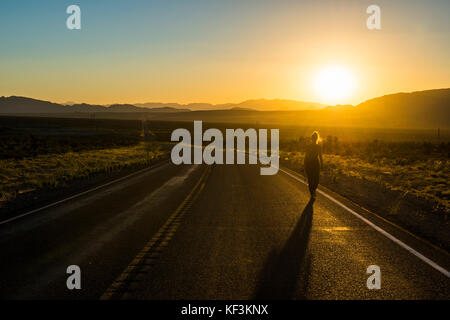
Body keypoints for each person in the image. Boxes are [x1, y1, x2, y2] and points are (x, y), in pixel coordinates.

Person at [304, 131, 323, 199]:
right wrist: (304, 164)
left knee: (314, 179)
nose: (314, 138)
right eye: (313, 137)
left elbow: (320, 156)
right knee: (312, 179)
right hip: (311, 163)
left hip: (314, 163)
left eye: (315, 137)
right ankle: (312, 192)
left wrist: (322, 164)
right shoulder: (309, 146)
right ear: (312, 138)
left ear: (316, 138)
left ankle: (313, 190)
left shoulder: (318, 147)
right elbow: (306, 156)